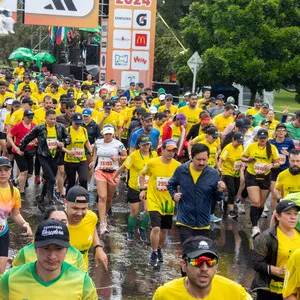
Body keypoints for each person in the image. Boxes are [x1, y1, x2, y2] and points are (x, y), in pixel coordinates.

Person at [0, 219, 98, 299]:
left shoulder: (83, 282)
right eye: (46, 248)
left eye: (59, 249)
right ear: (35, 248)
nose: (52, 256)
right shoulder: (9, 279)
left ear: (67, 250)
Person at [153, 236, 252, 300]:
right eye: (197, 261)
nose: (204, 268)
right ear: (183, 264)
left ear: (216, 265)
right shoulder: (164, 295)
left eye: (210, 262)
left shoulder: (235, 293)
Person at [167, 144, 226, 244]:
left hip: (203, 223)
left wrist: (220, 190)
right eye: (198, 159)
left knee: (201, 256)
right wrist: (174, 195)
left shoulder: (213, 174)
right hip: (184, 221)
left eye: (205, 159)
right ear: (191, 157)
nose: (202, 163)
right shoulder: (181, 170)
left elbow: (218, 197)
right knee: (188, 252)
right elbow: (171, 185)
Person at [139, 139, 181, 266]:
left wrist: (179, 193)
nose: (171, 153)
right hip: (153, 200)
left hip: (168, 202)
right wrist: (142, 190)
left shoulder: (178, 166)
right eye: (168, 151)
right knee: (156, 228)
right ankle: (153, 252)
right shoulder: (152, 163)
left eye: (173, 151)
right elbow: (142, 175)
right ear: (162, 150)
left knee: (164, 230)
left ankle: (159, 249)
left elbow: (181, 182)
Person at [19, 109, 71, 209]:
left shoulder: (60, 127)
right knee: (51, 179)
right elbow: (26, 138)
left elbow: (69, 138)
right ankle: (50, 201)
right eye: (51, 119)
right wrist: (21, 148)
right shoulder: (40, 128)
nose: (53, 121)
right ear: (45, 118)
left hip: (55, 156)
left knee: (48, 179)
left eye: (55, 119)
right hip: (43, 156)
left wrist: (63, 142)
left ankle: (41, 197)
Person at [12, 206, 86, 272]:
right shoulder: (25, 253)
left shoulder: (76, 255)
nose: (59, 225)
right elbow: (13, 277)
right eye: (54, 221)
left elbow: (83, 282)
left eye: (63, 222)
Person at [113, 134, 158, 242]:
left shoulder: (155, 154)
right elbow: (124, 166)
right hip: (135, 187)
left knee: (148, 210)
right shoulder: (133, 155)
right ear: (139, 145)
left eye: (148, 144)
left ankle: (142, 228)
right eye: (144, 144)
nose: (146, 146)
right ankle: (130, 231)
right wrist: (114, 177)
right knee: (134, 212)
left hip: (148, 188)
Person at [252, 200, 300, 300]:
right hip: (271, 290)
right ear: (278, 216)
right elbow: (256, 263)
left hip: (293, 289)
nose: (293, 217)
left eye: (296, 214)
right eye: (288, 213)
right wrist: (277, 270)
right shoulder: (266, 237)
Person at [242, 128, 280, 238]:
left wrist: (271, 165)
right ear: (257, 138)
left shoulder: (272, 148)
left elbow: (277, 163)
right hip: (252, 175)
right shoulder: (252, 146)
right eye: (260, 138)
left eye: (264, 138)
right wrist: (248, 159)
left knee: (262, 205)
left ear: (267, 138)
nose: (262, 140)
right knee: (256, 202)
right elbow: (242, 157)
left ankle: (256, 221)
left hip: (265, 177)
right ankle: (254, 227)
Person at [91, 124, 127, 235]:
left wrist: (119, 158)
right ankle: (102, 224)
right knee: (102, 197)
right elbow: (95, 151)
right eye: (106, 134)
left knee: (109, 198)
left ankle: (104, 215)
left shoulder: (119, 144)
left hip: (113, 173)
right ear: (103, 133)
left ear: (113, 134)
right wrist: (93, 161)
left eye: (110, 134)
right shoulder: (98, 142)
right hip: (100, 171)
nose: (108, 136)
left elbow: (126, 156)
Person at [0, 156, 32, 274]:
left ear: (10, 171)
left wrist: (25, 224)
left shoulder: (15, 191)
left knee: (1, 271)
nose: (3, 173)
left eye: (6, 170)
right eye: (0, 170)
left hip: (2, 232)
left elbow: (15, 214)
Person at [7, 109, 36, 198]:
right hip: (19, 151)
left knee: (30, 174)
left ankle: (15, 182)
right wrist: (15, 147)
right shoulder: (18, 126)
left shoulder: (34, 126)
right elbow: (9, 136)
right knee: (24, 172)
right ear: (23, 117)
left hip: (29, 151)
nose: (30, 119)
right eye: (28, 117)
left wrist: (35, 141)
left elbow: (37, 137)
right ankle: (21, 192)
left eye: (31, 117)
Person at [269, 124, 295, 211]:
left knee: (283, 194)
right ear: (275, 132)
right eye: (279, 130)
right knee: (274, 194)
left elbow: (294, 155)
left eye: (283, 130)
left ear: (285, 132)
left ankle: (282, 212)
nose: (281, 132)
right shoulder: (271, 142)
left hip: (285, 170)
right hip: (274, 170)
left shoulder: (289, 142)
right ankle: (273, 214)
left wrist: (288, 154)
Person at [64, 113, 92, 193]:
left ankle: (84, 197)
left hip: (82, 159)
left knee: (83, 179)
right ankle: (68, 199)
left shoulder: (83, 130)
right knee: (71, 182)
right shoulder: (67, 130)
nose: (78, 125)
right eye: (76, 123)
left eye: (80, 123)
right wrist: (68, 151)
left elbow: (87, 142)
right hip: (70, 160)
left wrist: (91, 152)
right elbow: (62, 146)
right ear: (72, 121)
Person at [218, 132, 244, 219]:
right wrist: (220, 168)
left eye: (241, 142)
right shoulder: (227, 148)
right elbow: (221, 160)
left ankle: (226, 200)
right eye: (238, 142)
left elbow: (241, 157)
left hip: (236, 172)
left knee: (235, 191)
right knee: (232, 190)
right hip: (227, 172)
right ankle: (231, 211)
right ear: (233, 140)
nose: (239, 143)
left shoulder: (240, 147)